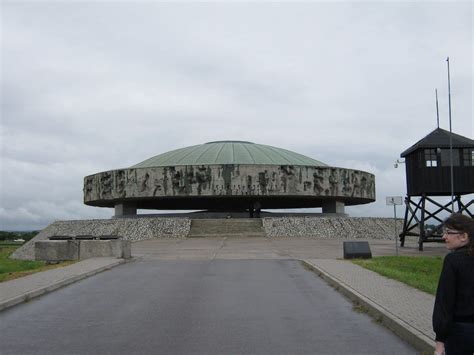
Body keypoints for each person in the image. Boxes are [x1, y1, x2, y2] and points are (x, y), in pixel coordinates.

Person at [432, 213, 474, 355]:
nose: (444, 237)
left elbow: (444, 302)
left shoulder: (453, 260)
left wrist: (440, 341)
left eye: (448, 232)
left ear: (464, 236)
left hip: (460, 333)